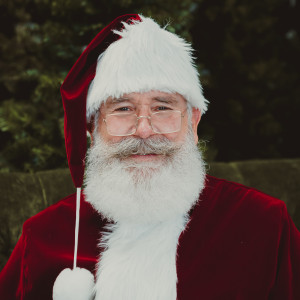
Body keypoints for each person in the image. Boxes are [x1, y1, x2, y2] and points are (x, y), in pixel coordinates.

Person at [0, 14, 299, 300]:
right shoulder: (41, 238)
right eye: (123, 109)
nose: (143, 130)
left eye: (162, 107)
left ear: (193, 123)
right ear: (91, 128)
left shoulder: (265, 224)